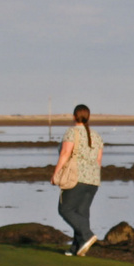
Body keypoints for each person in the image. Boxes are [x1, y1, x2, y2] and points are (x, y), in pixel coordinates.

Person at [51, 104, 103, 256]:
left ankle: (87, 235)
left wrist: (56, 173)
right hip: (93, 179)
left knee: (65, 209)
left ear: (74, 116)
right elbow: (99, 160)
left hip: (76, 177)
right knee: (81, 213)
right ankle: (77, 247)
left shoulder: (72, 132)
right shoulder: (97, 136)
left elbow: (65, 153)